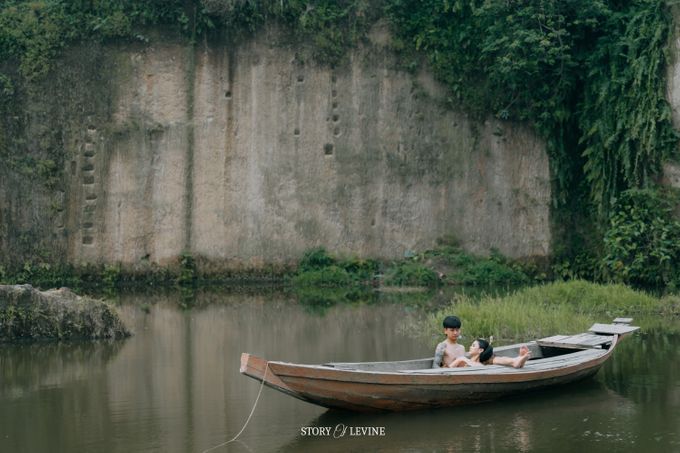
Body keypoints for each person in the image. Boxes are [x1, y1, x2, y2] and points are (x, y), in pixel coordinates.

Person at [449, 338, 531, 369]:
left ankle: (517, 360)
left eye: (473, 346)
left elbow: (481, 367)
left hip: (483, 366)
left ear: (480, 350)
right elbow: (450, 368)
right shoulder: (464, 361)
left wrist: (463, 359)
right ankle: (518, 360)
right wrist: (461, 359)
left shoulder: (482, 362)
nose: (470, 347)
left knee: (496, 359)